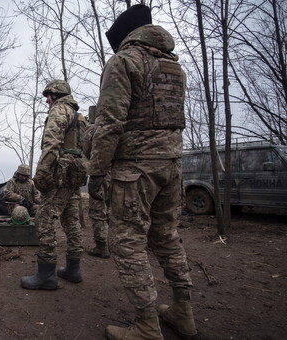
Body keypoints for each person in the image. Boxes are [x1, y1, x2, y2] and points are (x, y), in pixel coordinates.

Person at [87, 5, 198, 339]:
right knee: (166, 237)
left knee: (128, 245)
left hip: (135, 171)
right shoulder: (173, 66)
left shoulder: (123, 62)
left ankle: (147, 327)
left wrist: (97, 170)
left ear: (124, 37)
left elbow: (110, 121)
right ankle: (183, 311)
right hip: (172, 166)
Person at [20, 80, 88, 290]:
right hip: (74, 175)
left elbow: (51, 144)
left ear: (54, 95)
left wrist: (41, 172)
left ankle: (46, 274)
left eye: (48, 96)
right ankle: (73, 269)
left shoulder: (59, 111)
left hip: (59, 174)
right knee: (71, 220)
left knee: (46, 219)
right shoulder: (80, 117)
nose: (47, 101)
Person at [82, 109, 111, 259]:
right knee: (114, 210)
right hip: (122, 176)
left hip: (100, 176)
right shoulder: (119, 127)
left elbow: (84, 152)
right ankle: (115, 244)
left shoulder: (92, 130)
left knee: (98, 211)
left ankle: (102, 246)